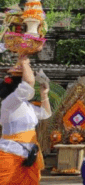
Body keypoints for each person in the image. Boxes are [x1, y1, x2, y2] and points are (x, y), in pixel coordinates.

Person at [0, 57, 51, 185]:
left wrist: (44, 94)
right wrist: (24, 61)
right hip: (11, 153)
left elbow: (45, 113)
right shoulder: (9, 103)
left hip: (29, 154)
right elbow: (28, 83)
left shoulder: (26, 105)